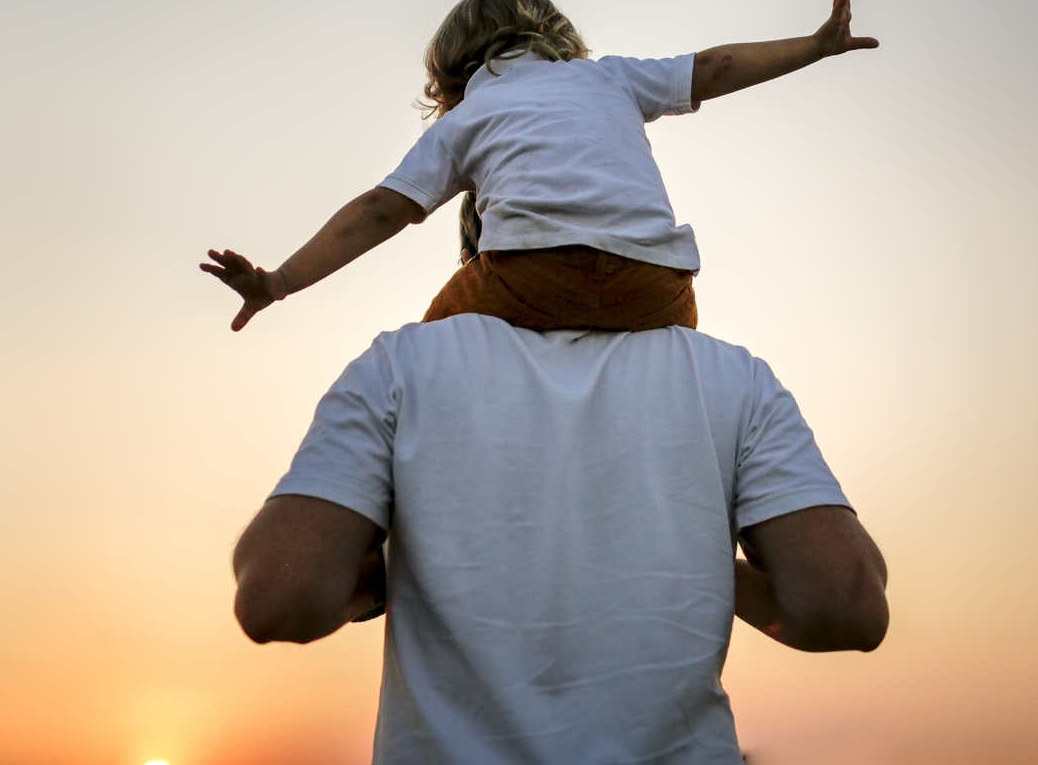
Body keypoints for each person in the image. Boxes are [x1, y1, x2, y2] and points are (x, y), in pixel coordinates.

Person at [231, 318, 888, 763]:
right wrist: (678, 550)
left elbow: (279, 597)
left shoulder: (399, 366)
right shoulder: (732, 378)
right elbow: (843, 603)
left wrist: (405, 562)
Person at [201, 0, 877, 333]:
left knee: (427, 351)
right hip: (660, 291)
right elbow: (715, 66)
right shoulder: (608, 75)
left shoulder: (471, 115)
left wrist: (278, 281)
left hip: (529, 277)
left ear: (453, 66)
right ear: (555, 32)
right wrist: (813, 46)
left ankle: (377, 540)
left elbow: (382, 210)